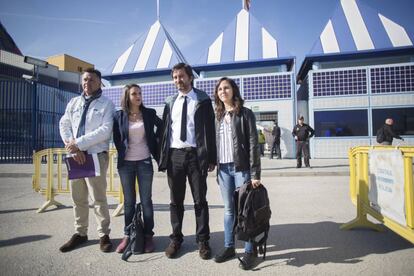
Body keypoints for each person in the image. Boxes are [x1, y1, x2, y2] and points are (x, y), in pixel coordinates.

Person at [158, 63, 216, 260]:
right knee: (176, 201)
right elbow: (165, 132)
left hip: (196, 156)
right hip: (175, 156)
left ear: (190, 77)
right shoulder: (170, 102)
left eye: (181, 76)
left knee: (200, 200)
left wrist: (211, 157)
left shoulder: (202, 100)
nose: (178, 80)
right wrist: (162, 156)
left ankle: (203, 241)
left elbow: (210, 130)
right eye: (175, 77)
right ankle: (176, 239)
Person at [59, 68, 115, 252]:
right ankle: (80, 233)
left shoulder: (107, 104)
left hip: (95, 155)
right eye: (84, 80)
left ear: (99, 83)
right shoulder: (74, 102)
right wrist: (71, 147)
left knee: (98, 197)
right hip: (75, 156)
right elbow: (64, 124)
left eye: (91, 80)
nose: (87, 83)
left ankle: (103, 235)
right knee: (78, 197)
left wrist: (79, 144)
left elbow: (105, 130)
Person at [212, 77, 262, 270]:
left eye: (226, 88)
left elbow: (253, 144)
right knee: (229, 210)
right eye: (220, 89)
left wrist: (255, 172)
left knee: (246, 211)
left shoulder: (245, 114)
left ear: (233, 90)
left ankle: (250, 251)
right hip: (223, 169)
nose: (223, 91)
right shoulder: (217, 115)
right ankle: (229, 247)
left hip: (242, 168)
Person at [113, 84, 162, 254]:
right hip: (126, 164)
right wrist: (122, 151)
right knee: (128, 202)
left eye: (140, 93)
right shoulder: (119, 116)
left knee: (146, 201)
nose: (138, 96)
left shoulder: (149, 114)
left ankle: (148, 235)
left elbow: (162, 127)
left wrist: (153, 142)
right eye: (134, 94)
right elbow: (116, 138)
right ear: (127, 96)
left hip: (145, 163)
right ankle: (128, 234)